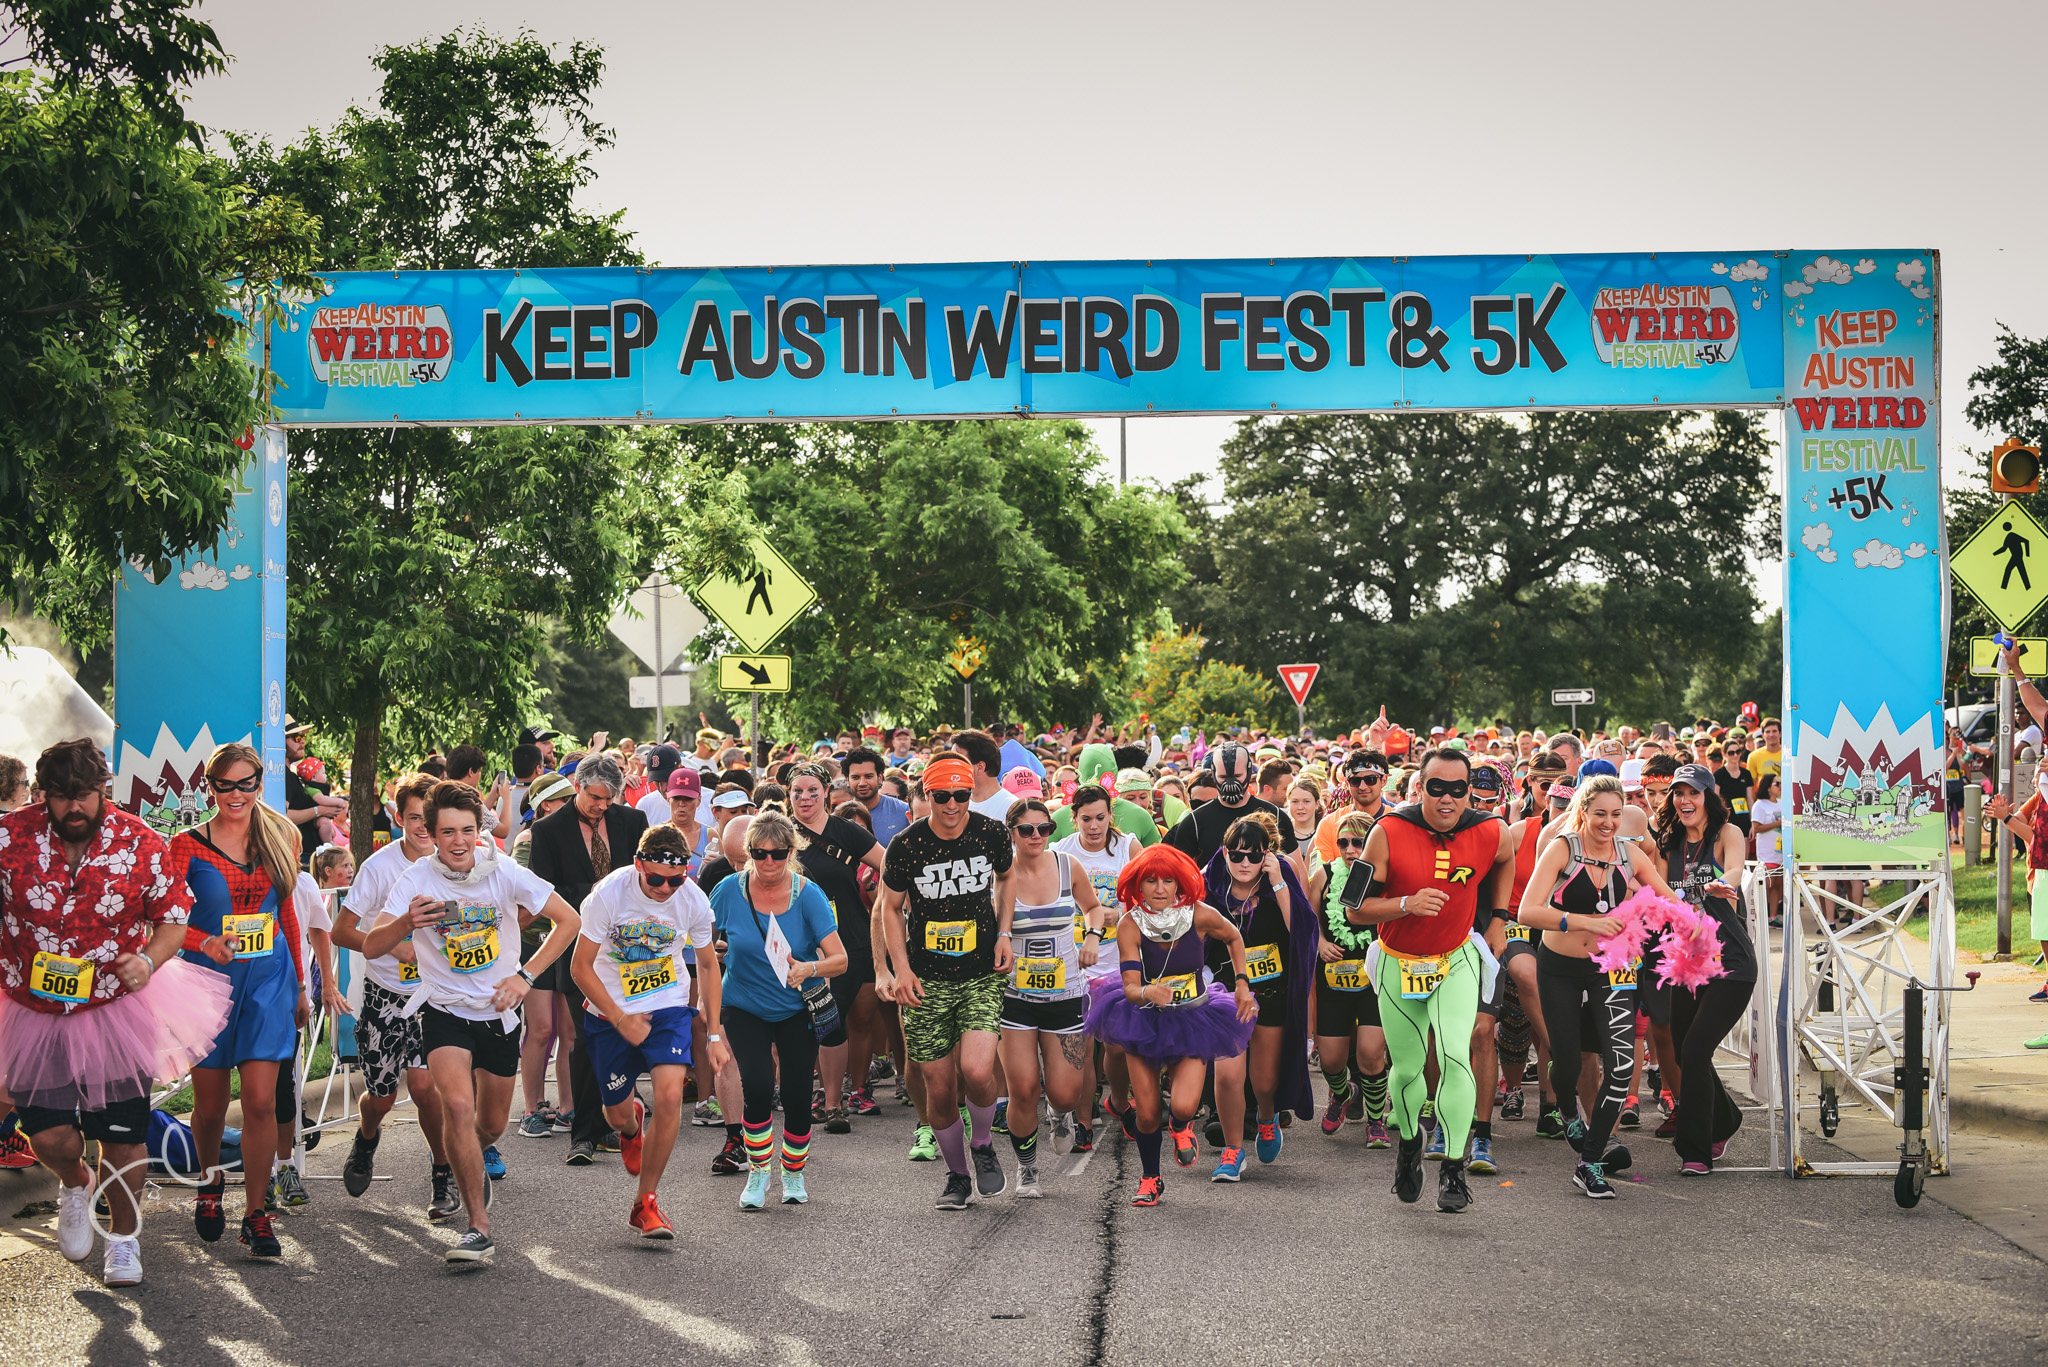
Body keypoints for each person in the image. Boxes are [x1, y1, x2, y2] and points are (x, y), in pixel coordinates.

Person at [0, 739, 230, 1288]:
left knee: (124, 1136)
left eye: (82, 795)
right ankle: (75, 1184)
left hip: (113, 1006)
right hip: (30, 1008)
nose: (71, 808)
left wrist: (148, 962)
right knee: (50, 1137)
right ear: (42, 794)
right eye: (59, 797)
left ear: (104, 790)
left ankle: (124, 1241)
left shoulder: (142, 843)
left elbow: (173, 921)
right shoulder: (9, 838)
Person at [363, 782, 580, 1263]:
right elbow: (372, 944)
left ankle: (467, 1158)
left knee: (490, 1124)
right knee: (457, 1108)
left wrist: (525, 976)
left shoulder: (503, 871)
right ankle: (478, 1227)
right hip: (442, 1010)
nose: (458, 841)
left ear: (479, 829)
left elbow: (569, 921)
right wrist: (405, 923)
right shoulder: (417, 877)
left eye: (466, 830)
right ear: (431, 833)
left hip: (500, 1016)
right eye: (446, 832)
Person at [1344, 749, 1515, 1213]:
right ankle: (1407, 1150)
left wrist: (1498, 917)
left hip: (1456, 959)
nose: (1446, 798)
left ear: (1468, 791)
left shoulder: (1489, 829)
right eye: (1435, 787)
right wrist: (1406, 904)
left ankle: (1454, 1170)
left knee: (1456, 1055)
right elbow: (1353, 909)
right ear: (1419, 787)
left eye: (1457, 789)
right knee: (1408, 1068)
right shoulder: (1388, 831)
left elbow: (1506, 857)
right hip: (1399, 962)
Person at [174, 742, 309, 1259]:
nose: (236, 794)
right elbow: (163, 922)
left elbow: (288, 917)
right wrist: (202, 942)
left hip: (269, 982)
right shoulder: (185, 846)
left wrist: (300, 984)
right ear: (209, 786)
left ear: (259, 784)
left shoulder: (281, 837)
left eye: (246, 783)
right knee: (209, 1108)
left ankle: (257, 1214)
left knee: (258, 1101)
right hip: (207, 984)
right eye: (225, 784)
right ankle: (210, 1186)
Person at [1515, 774, 1678, 1199]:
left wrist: (1705, 904)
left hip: (1612, 967)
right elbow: (1528, 912)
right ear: (1583, 812)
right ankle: (1567, 1107)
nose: (1608, 823)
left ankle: (1589, 1160)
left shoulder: (1629, 854)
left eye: (1616, 814)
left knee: (1621, 1065)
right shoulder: (1563, 848)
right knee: (1566, 1063)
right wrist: (1583, 921)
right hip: (1561, 968)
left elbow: (1666, 899)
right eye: (1600, 814)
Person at [570, 824, 729, 1236]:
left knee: (672, 1095)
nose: (663, 888)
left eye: (674, 880)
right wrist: (620, 1017)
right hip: (609, 1014)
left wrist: (713, 1033)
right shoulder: (608, 893)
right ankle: (630, 1124)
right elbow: (579, 967)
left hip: (669, 1006)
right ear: (638, 864)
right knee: (616, 1112)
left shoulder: (691, 898)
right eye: (655, 878)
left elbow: (708, 966)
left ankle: (646, 1202)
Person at [873, 753, 1016, 1209]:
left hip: (980, 973)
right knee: (938, 1087)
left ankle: (982, 1146)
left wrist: (1004, 932)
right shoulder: (907, 845)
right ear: (927, 796)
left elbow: (1007, 878)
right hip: (926, 979)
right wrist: (901, 969)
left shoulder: (991, 832)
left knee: (976, 1070)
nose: (952, 805)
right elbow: (888, 909)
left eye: (961, 795)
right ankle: (957, 1177)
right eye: (942, 796)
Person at [1083, 843, 1257, 1206]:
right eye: (1150, 881)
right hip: (1144, 1019)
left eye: (1167, 880)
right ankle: (1150, 1179)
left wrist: (1242, 984)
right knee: (1146, 1114)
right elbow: (1129, 987)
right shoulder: (1130, 924)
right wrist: (1147, 991)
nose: (1160, 888)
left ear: (1181, 883)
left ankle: (1180, 1127)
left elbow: (1234, 938)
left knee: (1182, 1106)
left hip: (1194, 1016)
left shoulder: (1200, 914)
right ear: (1137, 885)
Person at [707, 810, 849, 1208]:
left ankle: (793, 1173)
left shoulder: (808, 894)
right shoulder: (728, 890)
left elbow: (840, 960)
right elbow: (699, 943)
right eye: (759, 853)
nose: (769, 862)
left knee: (798, 1095)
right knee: (755, 1087)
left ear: (792, 851)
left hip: (795, 1008)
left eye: (779, 853)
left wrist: (810, 967)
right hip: (744, 1006)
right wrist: (716, 952)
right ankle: (757, 1173)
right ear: (748, 852)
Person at [334, 773, 460, 1215]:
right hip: (386, 993)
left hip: (436, 996)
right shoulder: (379, 867)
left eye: (429, 818)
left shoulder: (458, 864)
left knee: (428, 1089)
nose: (423, 828)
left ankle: (443, 1177)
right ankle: (366, 1139)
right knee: (382, 1097)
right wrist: (394, 942)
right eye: (412, 818)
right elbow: (341, 930)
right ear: (399, 816)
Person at [527, 754, 650, 1166]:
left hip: (628, 951)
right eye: (596, 798)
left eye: (609, 799)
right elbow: (543, 891)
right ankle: (584, 1133)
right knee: (582, 1039)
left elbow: (645, 876)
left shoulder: (632, 823)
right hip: (577, 949)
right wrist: (595, 890)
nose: (602, 806)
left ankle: (616, 1123)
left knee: (622, 1035)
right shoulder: (547, 829)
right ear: (578, 786)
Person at [994, 796, 1104, 1195]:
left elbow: (1093, 908)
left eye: (1045, 828)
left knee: (1065, 1091)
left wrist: (1092, 936)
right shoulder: (998, 874)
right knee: (1022, 1089)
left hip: (1066, 994)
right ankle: (1028, 1169)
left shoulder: (1066, 865)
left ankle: (1060, 1114)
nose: (1037, 836)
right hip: (1015, 995)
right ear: (1012, 833)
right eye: (1027, 830)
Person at [1201, 812, 1315, 1180]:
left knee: (1264, 1082)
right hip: (1226, 996)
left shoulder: (1278, 878)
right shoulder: (1210, 883)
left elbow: (1300, 929)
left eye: (1254, 855)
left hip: (1272, 993)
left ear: (1266, 854)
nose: (1245, 863)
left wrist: (1279, 881)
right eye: (1237, 855)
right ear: (1225, 853)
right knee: (1228, 1077)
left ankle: (1267, 1119)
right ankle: (1233, 1151)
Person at [1658, 764, 1754, 1174]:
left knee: (1696, 1050)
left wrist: (1721, 884)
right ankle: (1727, 1118)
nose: (1685, 800)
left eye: (1693, 793)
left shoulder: (1726, 834)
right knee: (1685, 1051)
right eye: (1679, 793)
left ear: (1708, 796)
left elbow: (1734, 868)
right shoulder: (1669, 843)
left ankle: (1695, 1151)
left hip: (1729, 961)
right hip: (1686, 962)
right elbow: (1658, 891)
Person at [786, 763, 885, 1135]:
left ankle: (832, 1104)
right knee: (800, 1020)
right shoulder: (779, 832)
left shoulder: (845, 831)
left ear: (826, 792)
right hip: (796, 944)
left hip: (847, 943)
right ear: (788, 795)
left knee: (831, 1019)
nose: (805, 797)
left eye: (812, 790)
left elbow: (891, 864)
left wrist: (887, 904)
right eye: (797, 791)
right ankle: (806, 1095)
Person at [1053, 784, 1138, 1153]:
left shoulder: (1127, 847)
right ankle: (1083, 1123)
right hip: (1075, 964)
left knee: (1116, 1049)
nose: (1094, 826)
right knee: (1082, 1049)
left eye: (1101, 818)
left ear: (1110, 816)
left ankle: (1119, 1102)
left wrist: (1111, 914)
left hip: (1119, 961)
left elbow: (1148, 901)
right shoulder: (1060, 853)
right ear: (1074, 819)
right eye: (1085, 819)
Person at [1314, 811, 1392, 1146]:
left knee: (1371, 1054)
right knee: (1330, 1059)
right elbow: (1306, 917)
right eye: (1342, 842)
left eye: (1357, 842)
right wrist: (1319, 943)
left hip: (1374, 975)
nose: (1349, 849)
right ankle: (1342, 1093)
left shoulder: (1387, 878)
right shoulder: (1325, 874)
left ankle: (1376, 1121)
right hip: (1333, 976)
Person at [512, 774, 576, 1139]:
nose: (572, 809)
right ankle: (532, 1108)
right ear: (545, 807)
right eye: (564, 801)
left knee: (569, 1031)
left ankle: (568, 1107)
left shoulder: (573, 839)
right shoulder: (527, 841)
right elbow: (524, 898)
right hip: (533, 945)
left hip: (567, 942)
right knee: (541, 1029)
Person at [1166, 741, 1294, 868]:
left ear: (1249, 772)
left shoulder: (1275, 815)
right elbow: (1180, 874)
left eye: (1238, 776)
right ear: (1214, 774)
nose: (1231, 783)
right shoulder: (1194, 822)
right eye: (1223, 777)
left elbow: (1298, 871)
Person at [846, 746, 910, 846]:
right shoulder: (840, 816)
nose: (862, 783)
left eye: (868, 776)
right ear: (847, 781)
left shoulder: (904, 811)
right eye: (855, 777)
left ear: (880, 778)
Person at [1752, 774, 1784, 927]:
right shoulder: (1760, 805)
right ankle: (1760, 916)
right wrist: (1777, 823)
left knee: (1777, 884)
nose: (1779, 786)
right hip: (1766, 851)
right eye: (1777, 783)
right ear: (1768, 787)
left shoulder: (1781, 803)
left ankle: (1773, 916)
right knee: (1767, 885)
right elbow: (1756, 828)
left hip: (1780, 852)